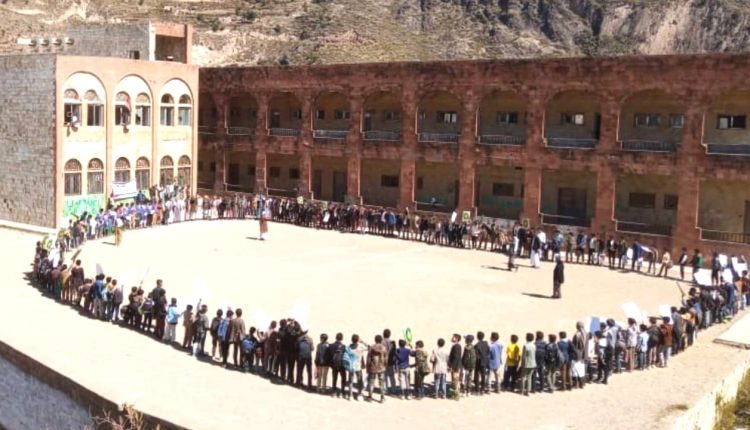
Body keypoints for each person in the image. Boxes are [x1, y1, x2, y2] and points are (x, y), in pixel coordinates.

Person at [366, 335, 387, 403]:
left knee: (371, 382)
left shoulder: (372, 348)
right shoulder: (383, 348)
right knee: (381, 383)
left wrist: (367, 367)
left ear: (375, 340)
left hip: (373, 367)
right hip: (381, 367)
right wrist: (385, 365)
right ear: (381, 340)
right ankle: (382, 398)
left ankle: (370, 397)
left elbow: (368, 358)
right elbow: (386, 358)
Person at [447, 334, 462, 400]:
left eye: (453, 337)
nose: (452, 338)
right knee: (454, 381)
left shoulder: (456, 346)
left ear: (456, 339)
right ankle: (453, 395)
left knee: (455, 381)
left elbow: (455, 358)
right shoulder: (457, 346)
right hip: (456, 366)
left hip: (455, 367)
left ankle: (456, 395)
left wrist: (452, 366)